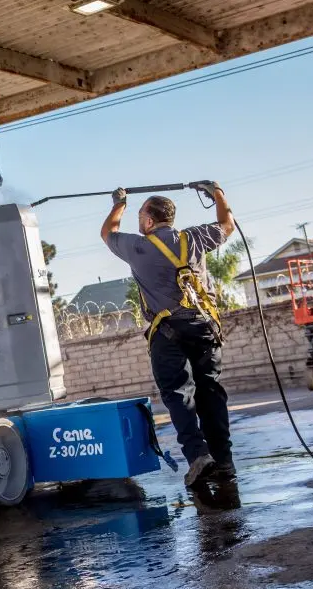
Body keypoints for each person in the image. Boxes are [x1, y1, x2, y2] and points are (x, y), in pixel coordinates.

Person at [100, 182, 236, 486]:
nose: (138, 222)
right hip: (204, 327)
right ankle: (224, 463)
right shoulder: (196, 237)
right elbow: (227, 224)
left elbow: (107, 232)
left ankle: (199, 456)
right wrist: (217, 193)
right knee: (210, 392)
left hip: (167, 332)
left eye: (139, 216)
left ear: (149, 221)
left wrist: (118, 204)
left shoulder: (139, 246)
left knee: (178, 395)